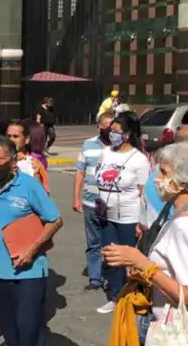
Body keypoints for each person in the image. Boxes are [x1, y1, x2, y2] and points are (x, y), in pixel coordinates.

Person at [103, 142, 188, 346]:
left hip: (182, 329)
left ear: (185, 179)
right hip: (180, 323)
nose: (157, 179)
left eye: (164, 173)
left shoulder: (186, 223)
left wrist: (141, 262)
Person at [0, 137, 62, 346]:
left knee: (28, 329)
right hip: (2, 274)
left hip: (30, 272)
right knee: (11, 331)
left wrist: (30, 251)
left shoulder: (29, 185)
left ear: (13, 161)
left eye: (0, 158)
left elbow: (55, 220)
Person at [93, 112, 150, 314]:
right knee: (112, 258)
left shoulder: (139, 159)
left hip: (129, 216)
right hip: (107, 215)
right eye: (111, 131)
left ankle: (134, 296)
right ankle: (117, 296)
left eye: (116, 131)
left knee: (129, 259)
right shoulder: (106, 153)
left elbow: (144, 194)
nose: (112, 135)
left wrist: (141, 222)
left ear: (126, 135)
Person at [73, 112, 114, 293]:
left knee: (113, 242)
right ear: (99, 127)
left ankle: (114, 278)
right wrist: (76, 197)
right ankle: (95, 278)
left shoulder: (120, 147)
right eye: (105, 127)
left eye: (112, 128)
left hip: (113, 203)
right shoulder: (88, 145)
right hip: (91, 201)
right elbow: (80, 172)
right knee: (93, 242)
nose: (109, 131)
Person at [6, 121, 50, 193]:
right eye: (9, 136)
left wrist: (35, 179)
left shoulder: (35, 164)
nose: (11, 140)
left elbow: (45, 196)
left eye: (15, 136)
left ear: (26, 139)